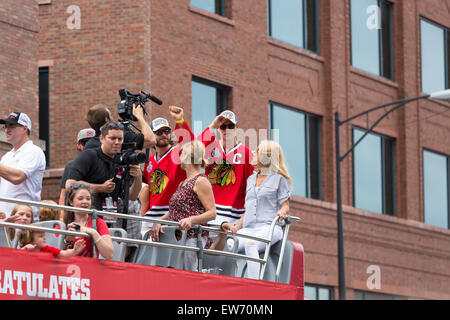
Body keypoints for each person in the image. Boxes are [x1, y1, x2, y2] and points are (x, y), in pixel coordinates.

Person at [65, 122, 142, 258]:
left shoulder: (122, 160)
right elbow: (70, 184)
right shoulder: (89, 155)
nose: (117, 142)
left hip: (113, 220)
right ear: (101, 138)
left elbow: (132, 196)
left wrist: (138, 177)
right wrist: (100, 188)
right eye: (112, 138)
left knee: (115, 256)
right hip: (91, 218)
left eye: (120, 139)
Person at [220, 140, 291, 280]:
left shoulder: (279, 179)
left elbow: (285, 205)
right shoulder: (251, 179)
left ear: (266, 156)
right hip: (249, 227)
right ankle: (225, 280)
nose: (254, 152)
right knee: (228, 244)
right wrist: (236, 227)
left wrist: (283, 212)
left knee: (250, 244)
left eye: (257, 150)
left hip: (269, 227)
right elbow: (248, 210)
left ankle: (254, 283)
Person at [174, 108, 254, 226]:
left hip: (233, 216)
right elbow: (192, 149)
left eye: (230, 126)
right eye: (223, 126)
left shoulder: (246, 153)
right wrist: (212, 126)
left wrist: (242, 220)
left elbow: (251, 186)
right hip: (209, 211)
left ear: (237, 128)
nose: (227, 130)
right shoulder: (211, 146)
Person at [151, 140, 216, 271]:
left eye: (182, 154)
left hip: (191, 238)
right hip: (177, 237)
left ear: (188, 157)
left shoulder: (201, 181)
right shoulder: (183, 183)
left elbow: (212, 213)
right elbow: (174, 211)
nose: (180, 157)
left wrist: (191, 219)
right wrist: (158, 222)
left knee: (189, 274)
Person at [139, 106, 194, 231]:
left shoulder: (177, 153)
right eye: (159, 132)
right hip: (151, 217)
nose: (164, 135)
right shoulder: (149, 161)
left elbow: (190, 144)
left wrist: (180, 121)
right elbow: (147, 191)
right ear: (152, 135)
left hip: (171, 216)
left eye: (167, 131)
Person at [0, 112, 46, 221]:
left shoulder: (34, 151)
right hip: (5, 219)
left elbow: (17, 178)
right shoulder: (7, 156)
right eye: (5, 126)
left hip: (24, 220)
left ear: (25, 128)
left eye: (11, 126)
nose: (6, 130)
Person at [63, 183, 114, 259]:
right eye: (80, 198)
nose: (85, 202)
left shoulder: (98, 222)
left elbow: (109, 254)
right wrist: (68, 241)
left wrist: (93, 233)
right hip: (69, 267)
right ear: (71, 202)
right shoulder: (64, 224)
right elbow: (56, 253)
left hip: (90, 268)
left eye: (88, 198)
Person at [58, 128, 96, 219]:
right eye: (86, 143)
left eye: (93, 142)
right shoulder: (71, 166)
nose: (90, 146)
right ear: (78, 145)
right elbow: (63, 195)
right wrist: (62, 218)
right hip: (76, 216)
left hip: (99, 214)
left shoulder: (106, 164)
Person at [84, 103, 156, 151]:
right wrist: (140, 117)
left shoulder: (89, 146)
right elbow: (151, 140)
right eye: (110, 115)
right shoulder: (120, 137)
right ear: (106, 120)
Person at [18, 228, 86, 258]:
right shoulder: (23, 249)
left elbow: (64, 253)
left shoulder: (47, 249)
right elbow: (14, 258)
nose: (45, 238)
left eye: (44, 235)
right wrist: (24, 250)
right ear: (30, 240)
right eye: (41, 236)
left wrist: (75, 250)